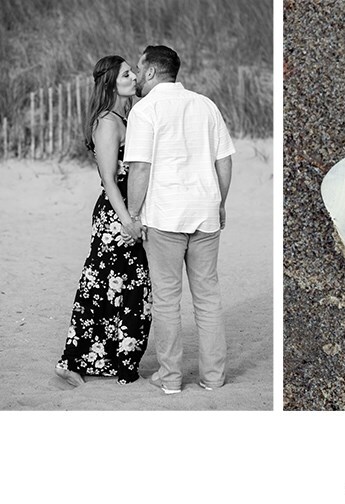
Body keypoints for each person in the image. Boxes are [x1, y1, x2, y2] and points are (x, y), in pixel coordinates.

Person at [125, 45, 235, 395]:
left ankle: (170, 377)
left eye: (140, 69)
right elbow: (225, 162)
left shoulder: (145, 110)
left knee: (167, 300)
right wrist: (220, 202)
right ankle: (214, 377)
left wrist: (133, 213)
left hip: (165, 217)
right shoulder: (205, 105)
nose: (138, 76)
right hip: (205, 212)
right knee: (208, 297)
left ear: (153, 72)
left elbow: (140, 167)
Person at [55, 55, 152, 387]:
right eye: (127, 73)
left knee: (126, 288)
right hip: (116, 216)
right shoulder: (108, 122)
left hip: (127, 213)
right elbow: (109, 179)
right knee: (103, 288)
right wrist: (128, 221)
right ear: (111, 82)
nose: (134, 76)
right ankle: (73, 361)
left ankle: (113, 360)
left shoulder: (122, 116)